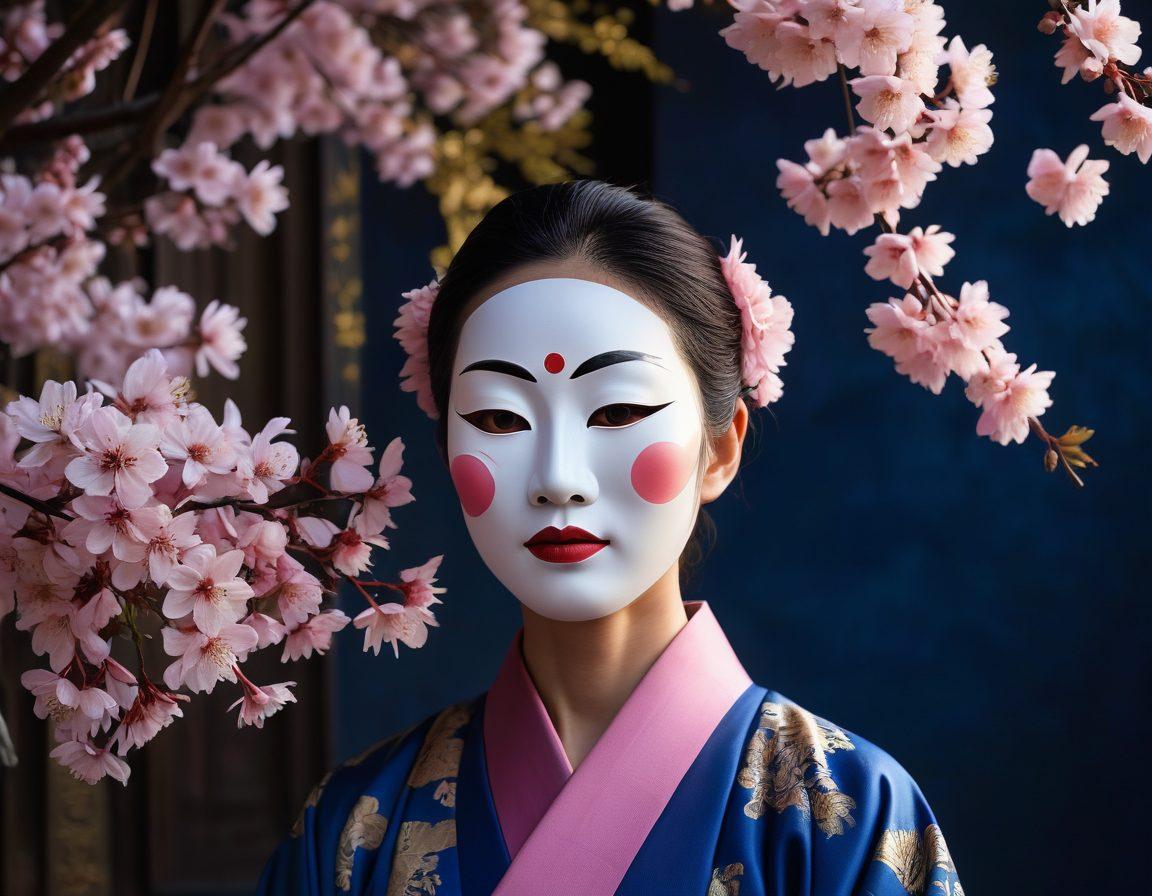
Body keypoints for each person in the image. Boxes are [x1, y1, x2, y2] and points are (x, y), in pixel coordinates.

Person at [255, 180, 963, 895]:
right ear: (446, 451)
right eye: (500, 419)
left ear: (719, 448)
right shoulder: (353, 833)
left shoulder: (846, 817)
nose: (558, 478)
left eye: (618, 409)